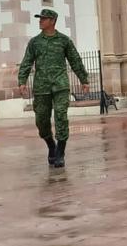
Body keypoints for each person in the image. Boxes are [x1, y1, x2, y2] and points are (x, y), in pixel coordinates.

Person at [18, 9, 90, 168]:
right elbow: (27, 62)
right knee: (41, 120)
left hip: (60, 85)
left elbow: (75, 60)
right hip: (41, 87)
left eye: (43, 19)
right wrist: (22, 81)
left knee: (60, 116)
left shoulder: (64, 40)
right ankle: (51, 145)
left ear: (52, 21)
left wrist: (84, 80)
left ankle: (60, 152)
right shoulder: (34, 42)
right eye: (40, 18)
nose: (40, 21)